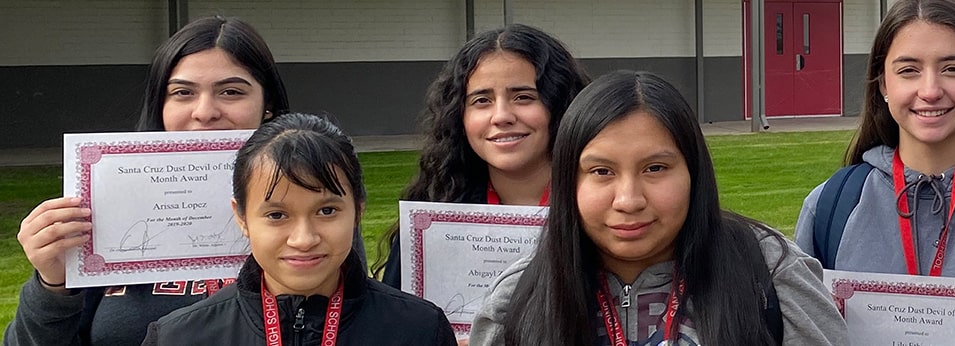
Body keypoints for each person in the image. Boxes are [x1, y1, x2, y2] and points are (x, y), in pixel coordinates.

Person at [6, 16, 321, 346]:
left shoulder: (314, 200)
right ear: (161, 103)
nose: (204, 111)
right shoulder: (103, 202)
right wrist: (53, 283)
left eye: (230, 91)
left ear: (267, 104)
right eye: (183, 92)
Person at [470, 70, 846, 345]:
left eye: (655, 168)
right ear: (570, 181)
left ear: (693, 172)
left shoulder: (770, 273)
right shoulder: (520, 297)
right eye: (601, 171)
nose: (629, 200)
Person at [142, 113, 455, 345]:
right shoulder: (179, 337)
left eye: (327, 210)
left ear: (358, 210)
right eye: (277, 215)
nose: (304, 239)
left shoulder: (420, 330)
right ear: (242, 218)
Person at [794, 0, 955, 281]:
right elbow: (803, 323)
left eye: (952, 69)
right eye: (908, 70)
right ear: (883, 84)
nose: (930, 91)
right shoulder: (829, 206)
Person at [373, 23, 591, 289]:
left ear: (560, 106)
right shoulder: (435, 217)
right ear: (459, 117)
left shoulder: (600, 211)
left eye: (523, 97)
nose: (501, 116)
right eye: (481, 101)